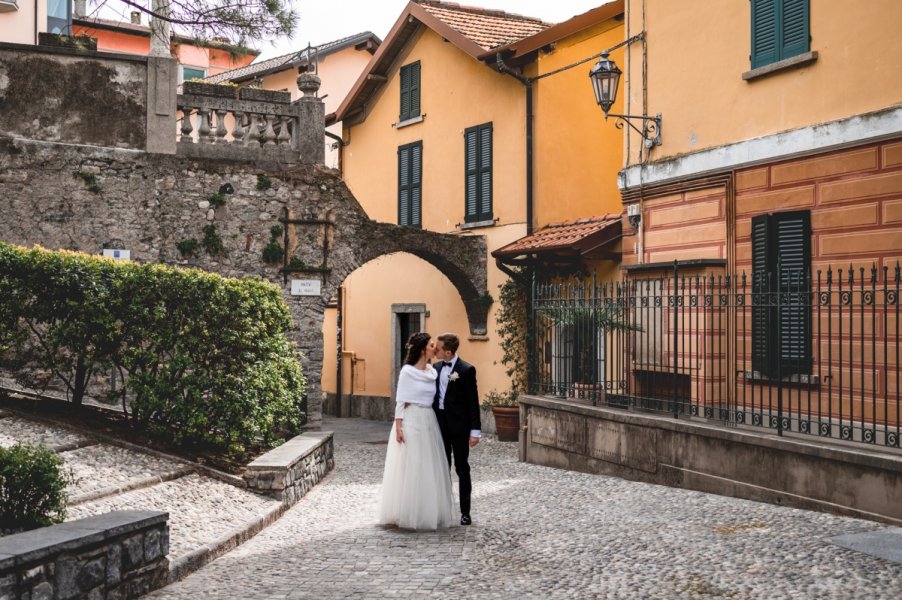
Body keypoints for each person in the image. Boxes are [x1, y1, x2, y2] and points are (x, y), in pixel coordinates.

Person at [377, 332, 455, 530]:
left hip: (428, 420)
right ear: (422, 350)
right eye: (431, 345)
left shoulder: (432, 371)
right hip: (411, 420)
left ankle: (428, 510)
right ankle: (408, 511)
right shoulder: (407, 372)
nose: (434, 348)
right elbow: (401, 400)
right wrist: (398, 427)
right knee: (412, 464)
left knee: (428, 465)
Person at [432, 332, 480, 526]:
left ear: (448, 352)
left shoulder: (466, 370)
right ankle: (443, 510)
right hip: (439, 424)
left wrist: (474, 431)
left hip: (460, 427)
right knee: (442, 468)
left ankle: (465, 512)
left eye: (439, 348)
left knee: (462, 468)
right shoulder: (435, 368)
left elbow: (473, 402)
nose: (435, 350)